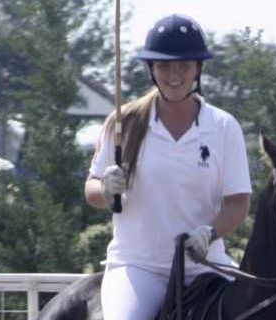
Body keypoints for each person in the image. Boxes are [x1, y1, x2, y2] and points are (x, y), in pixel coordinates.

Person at [84, 13, 252, 320]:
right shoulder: (124, 122)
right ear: (151, 69)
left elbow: (238, 203)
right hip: (138, 268)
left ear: (198, 68)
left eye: (184, 66)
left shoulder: (224, 127)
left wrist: (210, 233)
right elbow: (92, 191)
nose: (174, 75)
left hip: (207, 264)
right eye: (164, 66)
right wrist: (106, 188)